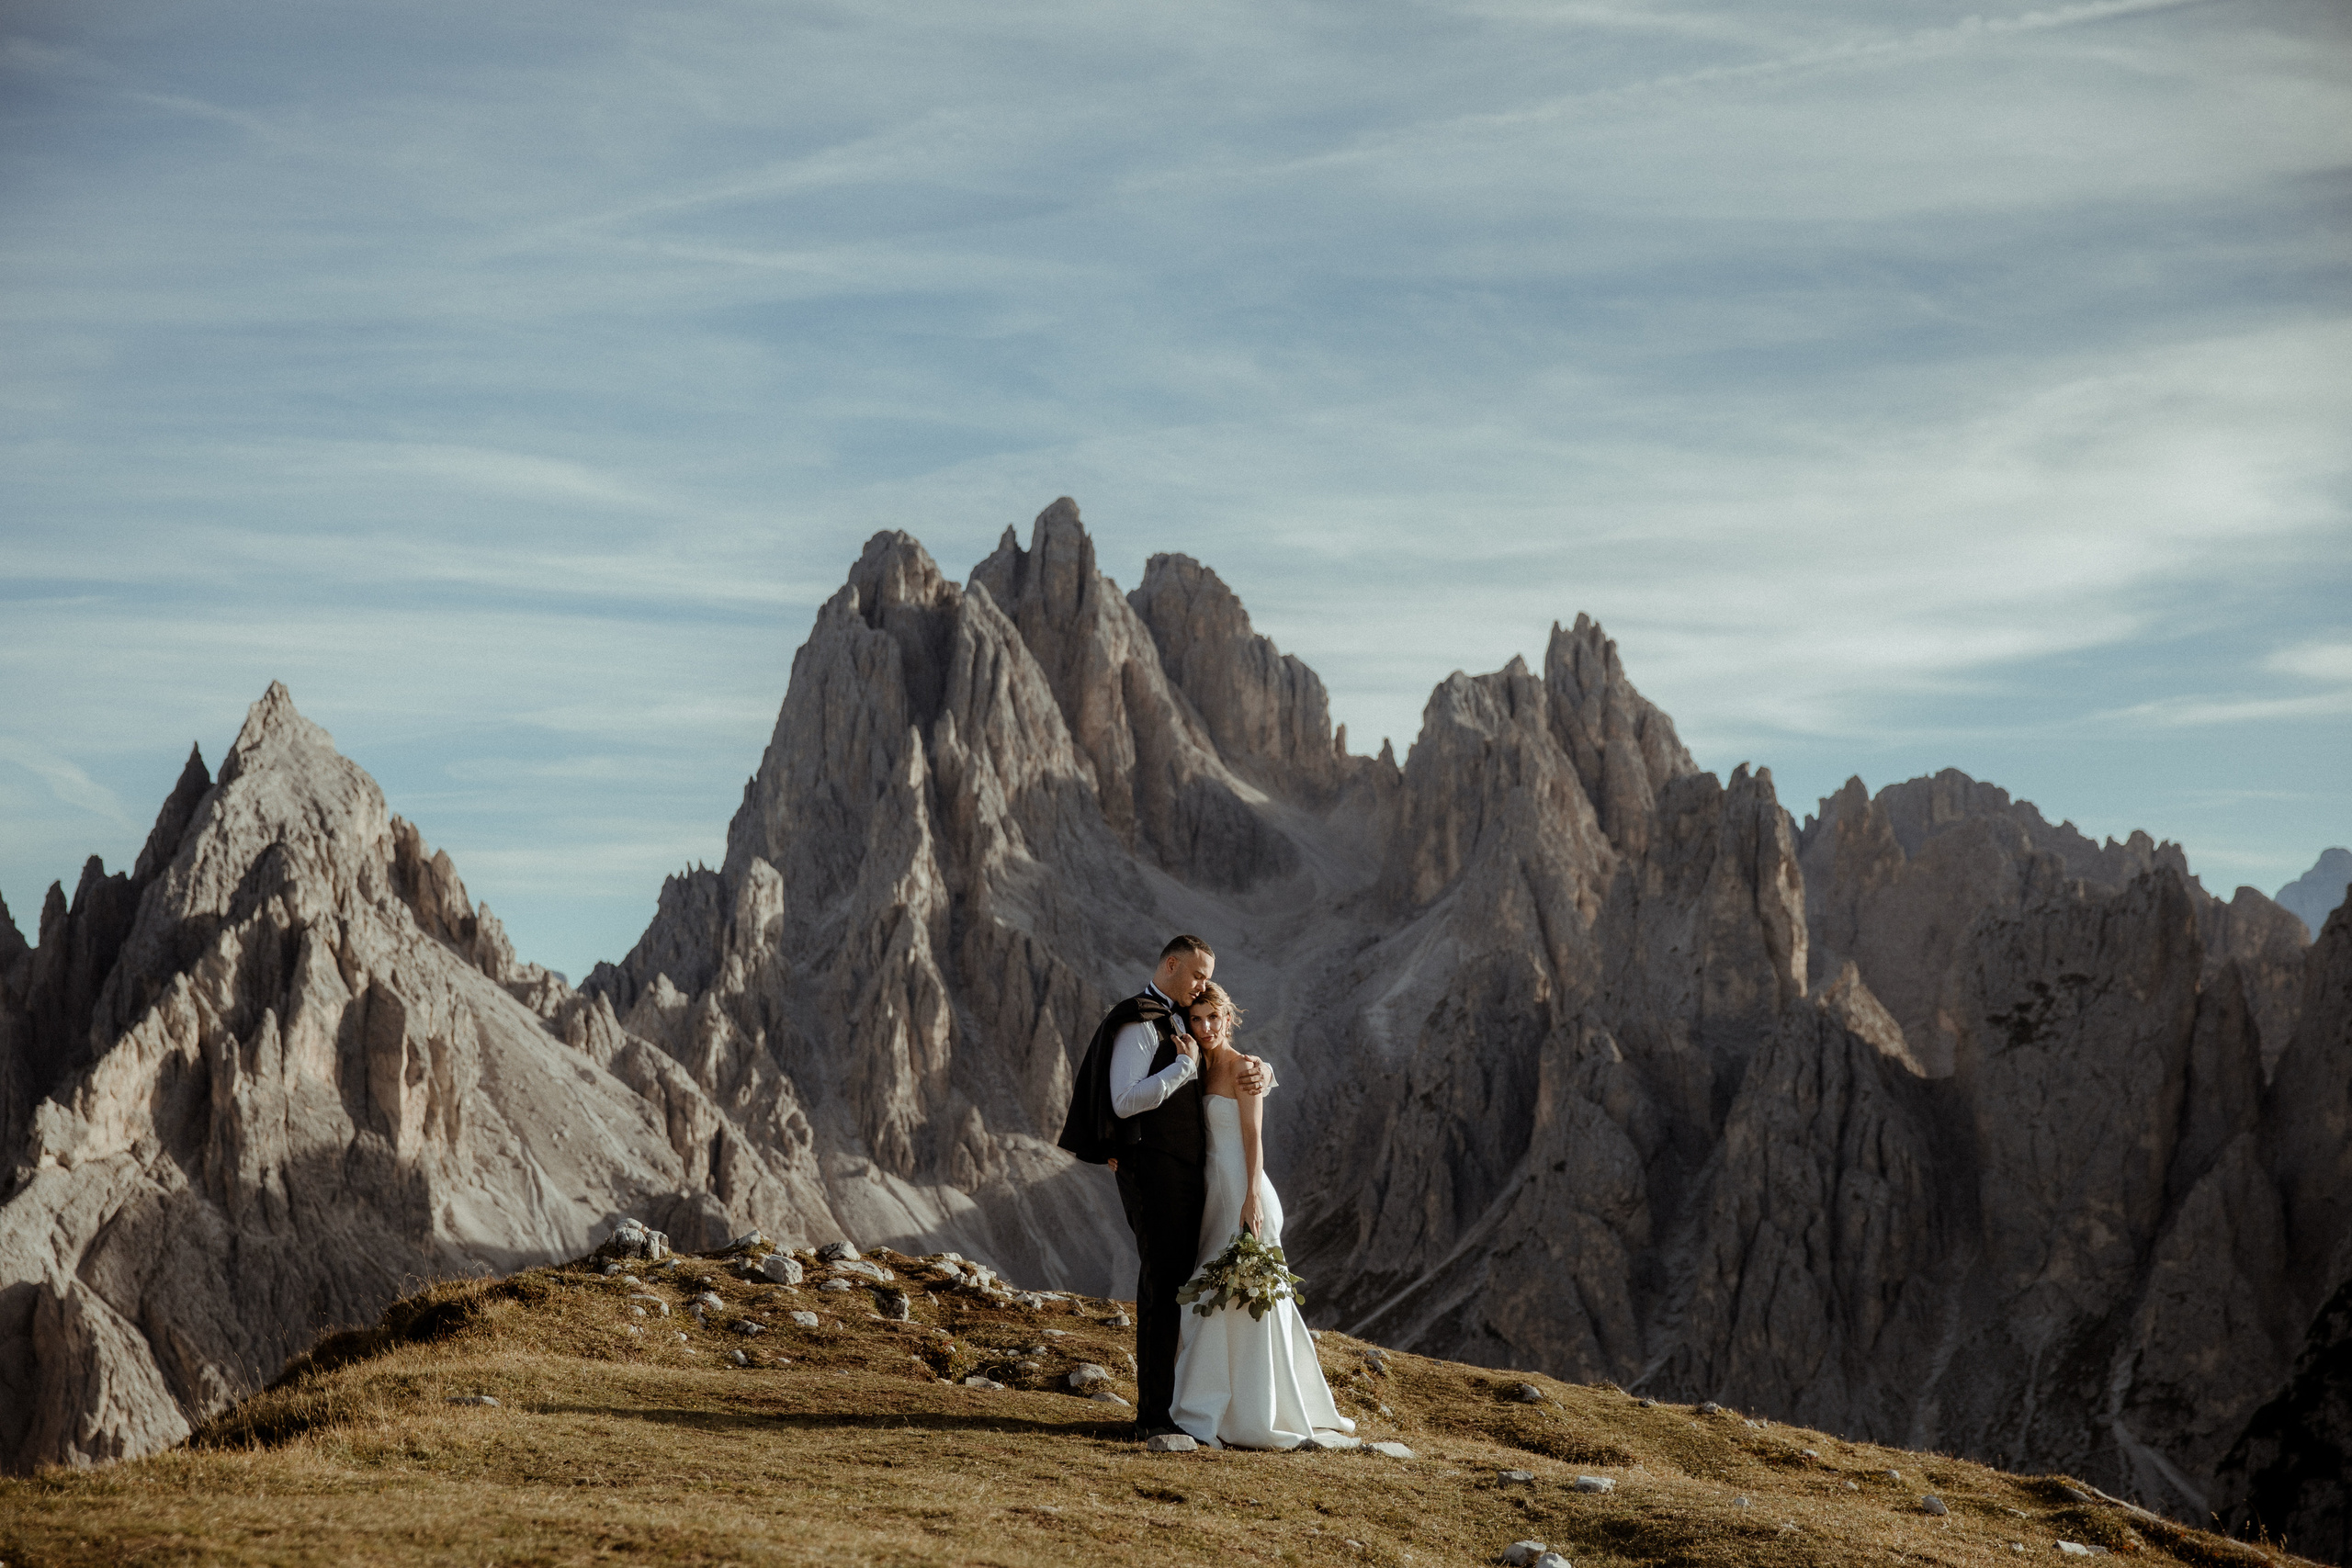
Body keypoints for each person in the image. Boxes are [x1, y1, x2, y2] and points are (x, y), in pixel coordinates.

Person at [1057, 934, 1272, 1440]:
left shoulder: (1177, 1018)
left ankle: (1171, 1404)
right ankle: (1152, 1414)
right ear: (1172, 964)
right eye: (1198, 974)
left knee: (1176, 1282)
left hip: (1184, 1175)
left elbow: (1224, 1068)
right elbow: (1125, 1101)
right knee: (1160, 1286)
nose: (1203, 985)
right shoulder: (1139, 1021)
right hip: (1154, 1174)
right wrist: (1181, 1069)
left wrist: (1260, 1068)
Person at [1167, 982, 1353, 1450]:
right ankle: (1224, 1403)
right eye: (1197, 1018)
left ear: (1230, 1019)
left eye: (1215, 1018)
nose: (1206, 1027)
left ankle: (1250, 1410)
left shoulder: (1245, 1069)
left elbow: (1254, 1138)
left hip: (1244, 1193)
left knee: (1240, 1296)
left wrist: (1251, 1197)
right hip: (1214, 1194)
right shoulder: (1197, 1067)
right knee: (1217, 1294)